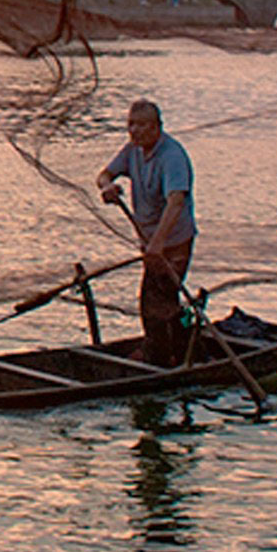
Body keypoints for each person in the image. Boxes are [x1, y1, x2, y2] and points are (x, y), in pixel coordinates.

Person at [97, 98, 197, 364]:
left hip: (173, 242)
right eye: (131, 124)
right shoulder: (133, 151)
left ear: (157, 127)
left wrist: (158, 243)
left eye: (142, 125)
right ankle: (181, 349)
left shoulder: (172, 155)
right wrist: (108, 187)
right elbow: (105, 174)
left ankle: (161, 357)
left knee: (154, 302)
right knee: (164, 301)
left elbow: (176, 202)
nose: (135, 131)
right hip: (150, 241)